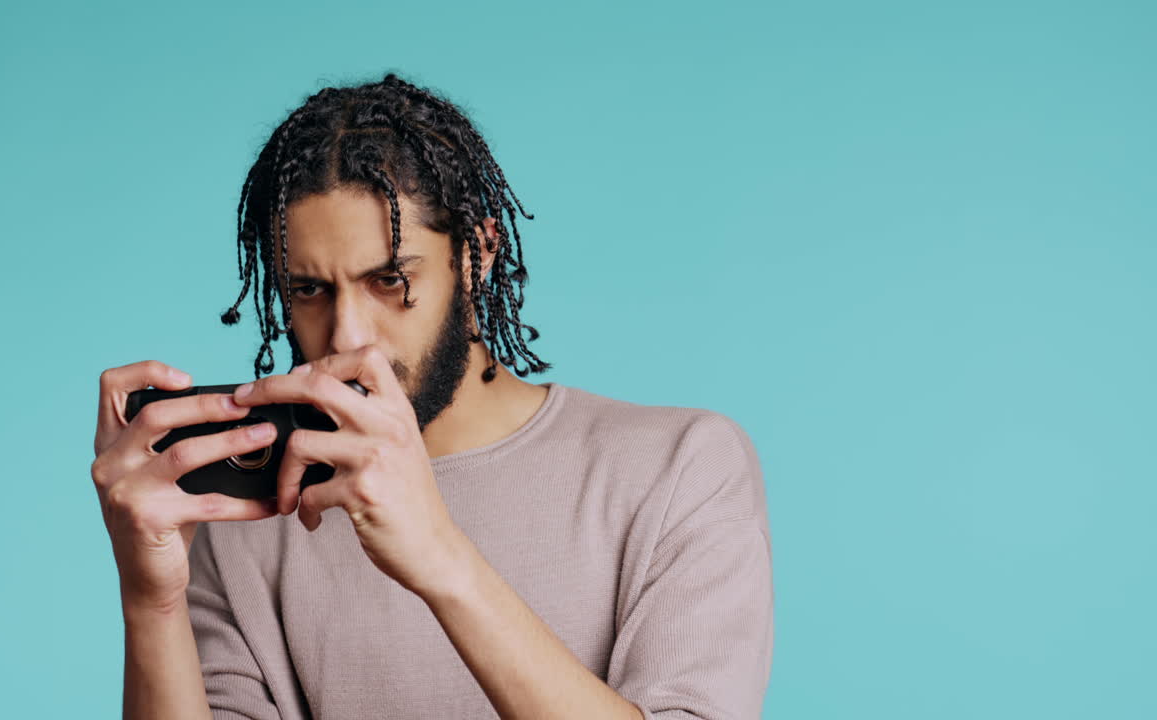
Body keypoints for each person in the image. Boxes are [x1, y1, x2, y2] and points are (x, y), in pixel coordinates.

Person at [91, 72, 773, 720]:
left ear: (476, 255)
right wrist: (150, 602)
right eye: (310, 290)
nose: (348, 336)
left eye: (388, 280)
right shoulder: (256, 516)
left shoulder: (678, 468)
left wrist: (440, 557)